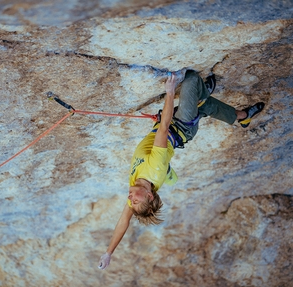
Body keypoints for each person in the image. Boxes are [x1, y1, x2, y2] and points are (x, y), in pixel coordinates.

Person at [98, 69, 265, 270]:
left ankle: (241, 115)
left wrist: (108, 253)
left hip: (170, 139)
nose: (130, 198)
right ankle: (200, 94)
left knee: (205, 106)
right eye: (136, 200)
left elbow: (123, 222)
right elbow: (165, 125)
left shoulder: (137, 186)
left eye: (130, 202)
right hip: (181, 125)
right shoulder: (154, 168)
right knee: (191, 79)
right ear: (150, 196)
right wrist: (169, 91)